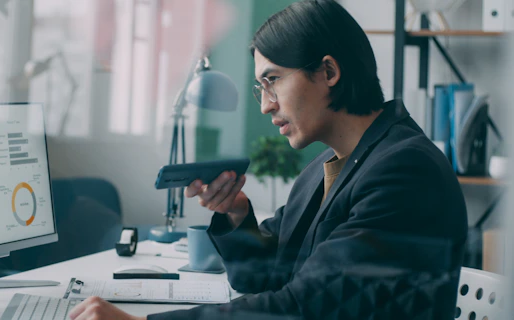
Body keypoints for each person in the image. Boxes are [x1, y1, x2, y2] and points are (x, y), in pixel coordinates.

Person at [69, 0, 467, 319]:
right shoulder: (326, 166)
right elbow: (266, 278)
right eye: (260, 86)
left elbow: (303, 307)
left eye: (272, 80)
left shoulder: (405, 172)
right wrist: (237, 213)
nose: (265, 105)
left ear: (328, 71)